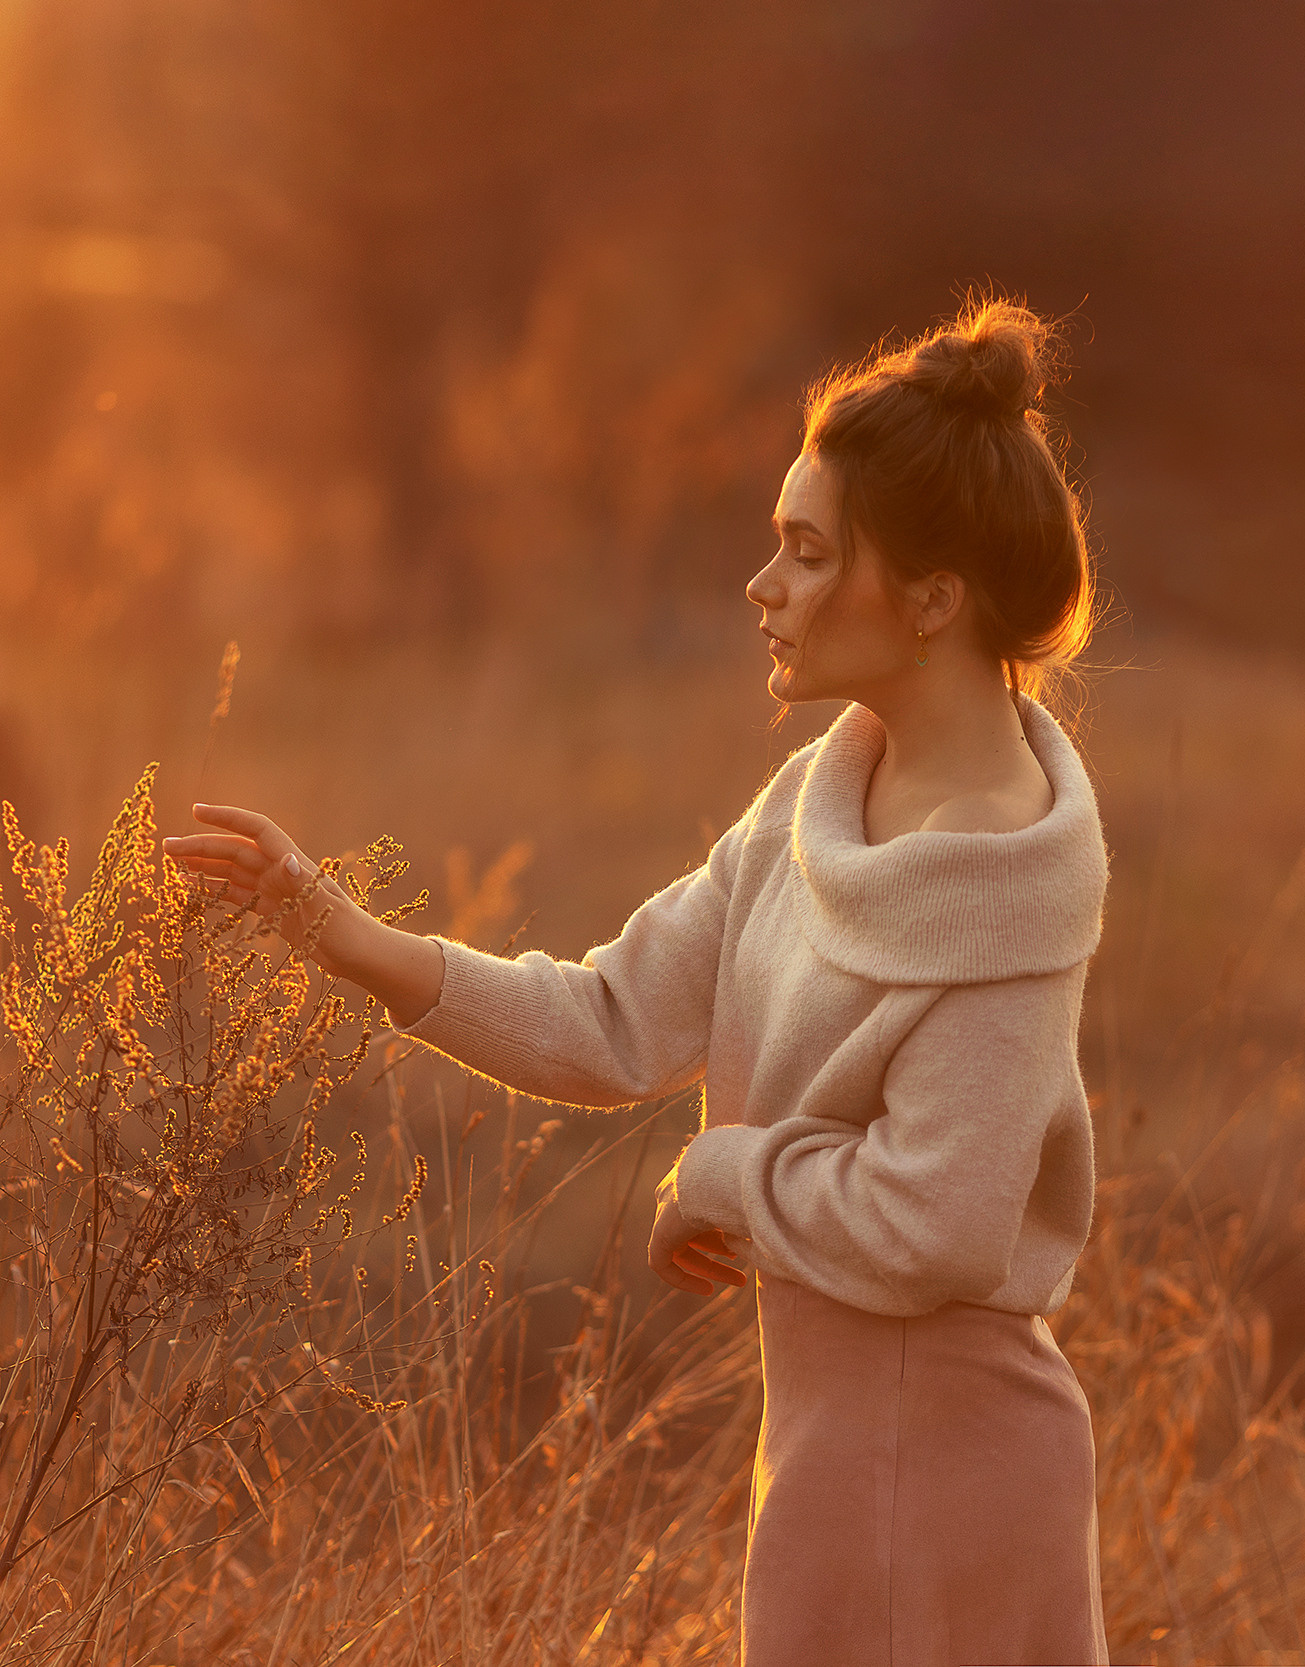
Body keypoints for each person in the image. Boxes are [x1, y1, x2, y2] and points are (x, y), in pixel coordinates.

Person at [160, 296, 1111, 1667]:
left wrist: (724, 1178)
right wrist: (338, 930)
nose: (760, 586)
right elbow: (611, 1023)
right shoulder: (820, 797)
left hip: (952, 1482)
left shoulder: (997, 882)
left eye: (804, 551)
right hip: (841, 1464)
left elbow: (944, 1226)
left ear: (931, 599)